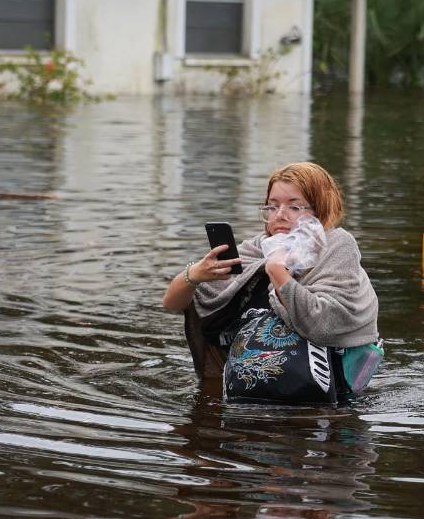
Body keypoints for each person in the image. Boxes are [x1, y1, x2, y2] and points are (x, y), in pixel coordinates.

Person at [162, 162, 379, 388]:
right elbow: (171, 304)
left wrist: (277, 271)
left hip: (322, 395)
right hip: (249, 387)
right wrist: (194, 275)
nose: (280, 216)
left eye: (295, 207)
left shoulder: (337, 247)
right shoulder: (257, 248)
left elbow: (323, 325)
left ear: (319, 208)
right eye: (272, 206)